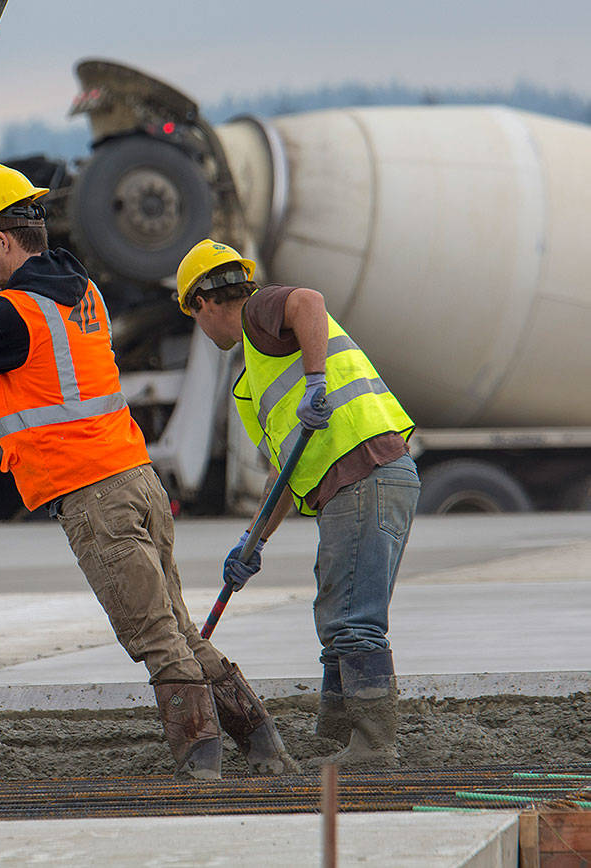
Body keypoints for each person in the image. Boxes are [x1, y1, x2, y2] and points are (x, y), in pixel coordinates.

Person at [0, 164, 294, 780]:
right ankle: (261, 742)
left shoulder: (16, 314)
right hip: (137, 481)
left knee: (155, 639)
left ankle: (201, 762)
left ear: (2, 241)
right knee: (176, 628)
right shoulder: (76, 291)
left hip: (95, 498)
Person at [174, 238, 419, 766]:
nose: (201, 326)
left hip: (365, 471)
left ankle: (373, 747)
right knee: (338, 610)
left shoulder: (258, 312)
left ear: (206, 302)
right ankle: (336, 736)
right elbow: (283, 474)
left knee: (352, 618)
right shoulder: (252, 383)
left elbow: (308, 300)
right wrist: (251, 543)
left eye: (193, 314)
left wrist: (316, 381)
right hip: (364, 482)